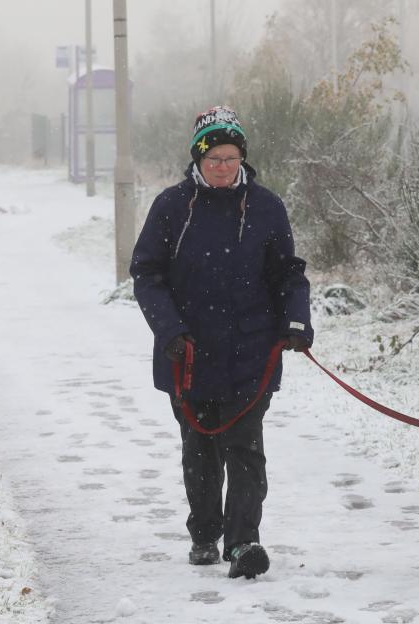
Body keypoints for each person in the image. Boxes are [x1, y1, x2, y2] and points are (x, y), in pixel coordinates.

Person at [130, 105, 313, 580]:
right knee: (200, 446)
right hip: (187, 353)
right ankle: (204, 534)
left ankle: (243, 542)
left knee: (245, 446)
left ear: (242, 159)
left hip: (251, 351)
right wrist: (170, 331)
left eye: (231, 158)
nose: (222, 167)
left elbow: (288, 273)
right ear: (198, 158)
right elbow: (147, 275)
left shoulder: (267, 207)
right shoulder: (172, 207)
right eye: (213, 158)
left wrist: (295, 319)